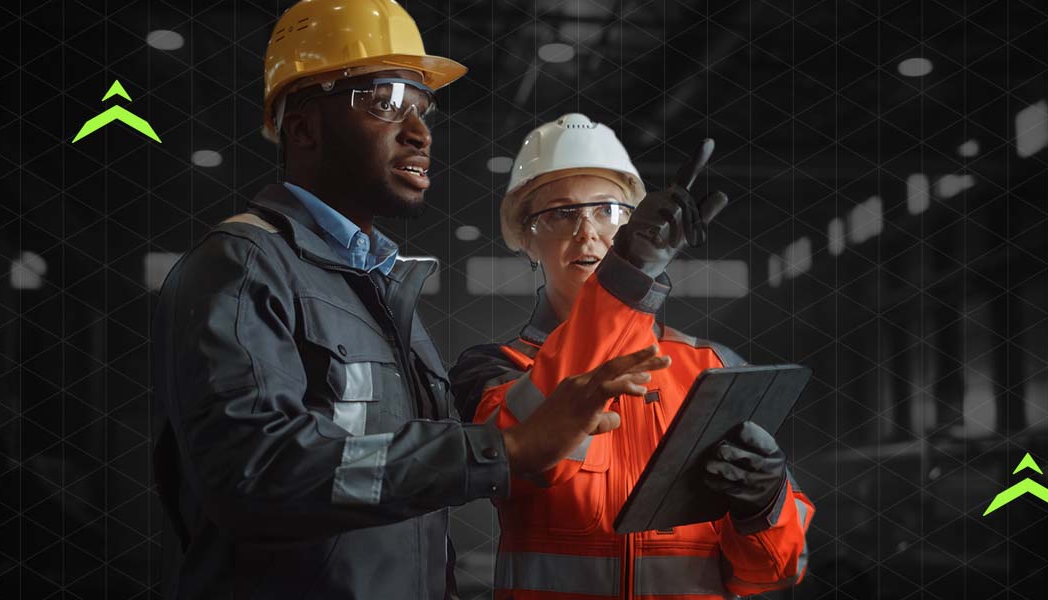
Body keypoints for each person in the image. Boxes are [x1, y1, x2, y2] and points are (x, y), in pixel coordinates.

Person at [151, 4, 669, 599]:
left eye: (421, 107)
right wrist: (504, 448)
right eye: (385, 102)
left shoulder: (377, 290)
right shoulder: (244, 267)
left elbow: (403, 503)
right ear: (304, 129)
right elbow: (255, 473)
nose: (419, 130)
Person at [450, 113, 815, 598]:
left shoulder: (714, 367)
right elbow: (525, 460)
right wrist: (629, 275)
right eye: (560, 213)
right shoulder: (494, 370)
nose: (587, 233)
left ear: (636, 221)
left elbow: (771, 572)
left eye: (608, 210)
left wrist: (762, 504)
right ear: (526, 239)